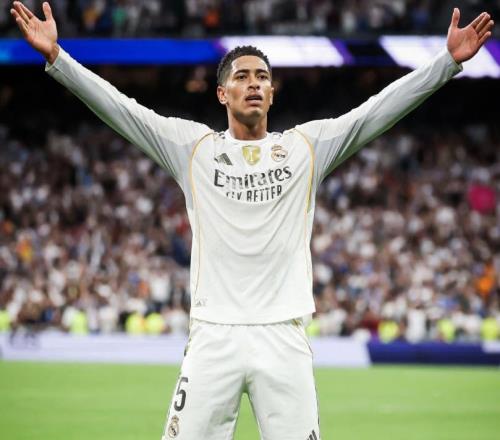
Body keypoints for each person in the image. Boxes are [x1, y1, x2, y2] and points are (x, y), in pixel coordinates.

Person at [10, 2, 494, 439]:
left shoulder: (306, 148)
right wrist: (58, 59)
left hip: (283, 336)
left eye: (262, 76)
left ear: (273, 92)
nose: (254, 83)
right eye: (242, 77)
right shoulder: (193, 149)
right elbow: (122, 110)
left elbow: (374, 113)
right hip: (213, 335)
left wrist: (445, 64)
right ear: (222, 93)